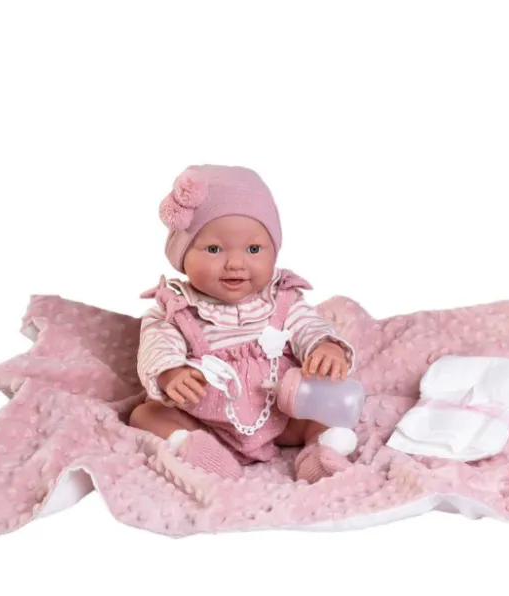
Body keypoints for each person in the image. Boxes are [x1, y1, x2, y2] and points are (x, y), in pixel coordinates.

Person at [129, 164, 358, 483]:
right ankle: (199, 451)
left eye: (253, 249)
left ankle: (319, 455)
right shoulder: (176, 308)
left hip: (280, 412)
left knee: (324, 411)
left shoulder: (282, 299)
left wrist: (325, 347)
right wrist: (170, 373)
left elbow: (308, 326)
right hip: (205, 418)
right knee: (146, 414)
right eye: (213, 249)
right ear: (181, 255)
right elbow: (158, 344)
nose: (235, 263)